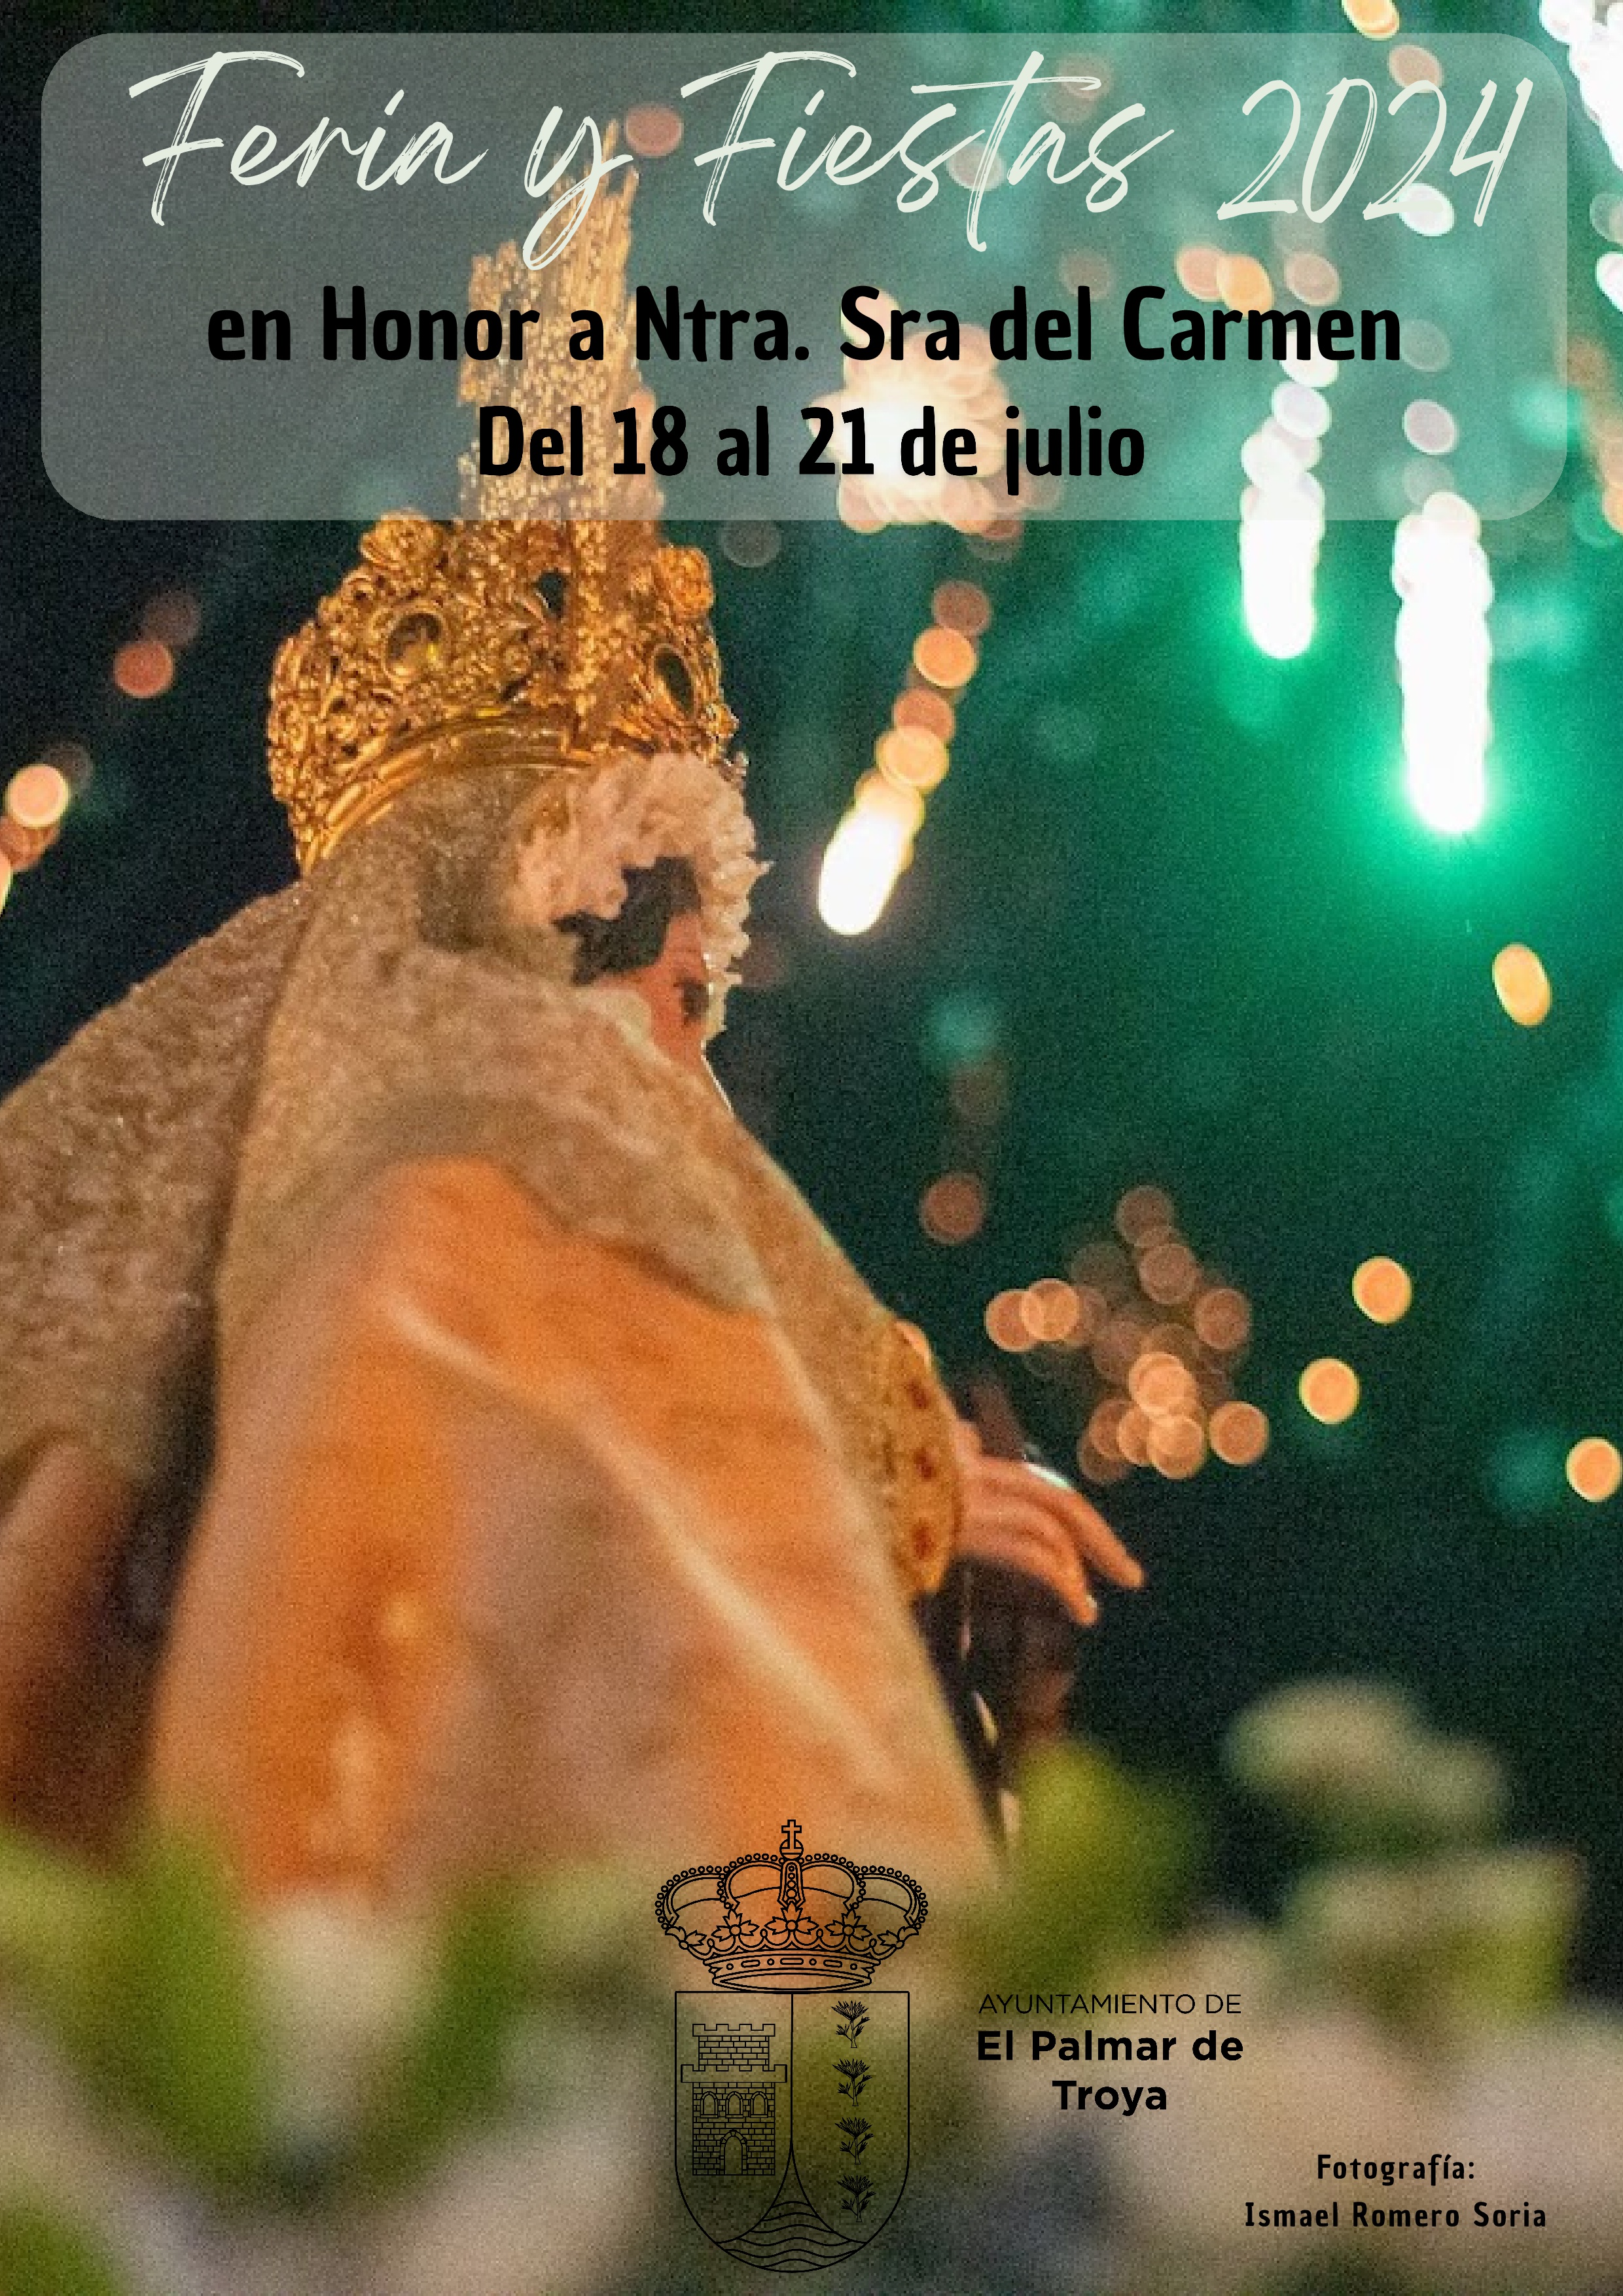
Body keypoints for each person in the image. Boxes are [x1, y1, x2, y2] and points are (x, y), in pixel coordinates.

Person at [0, 185, 1137, 1905]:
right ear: (520, 969)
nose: (682, 1074)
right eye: (677, 998)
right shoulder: (441, 1184)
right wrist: (862, 1497)